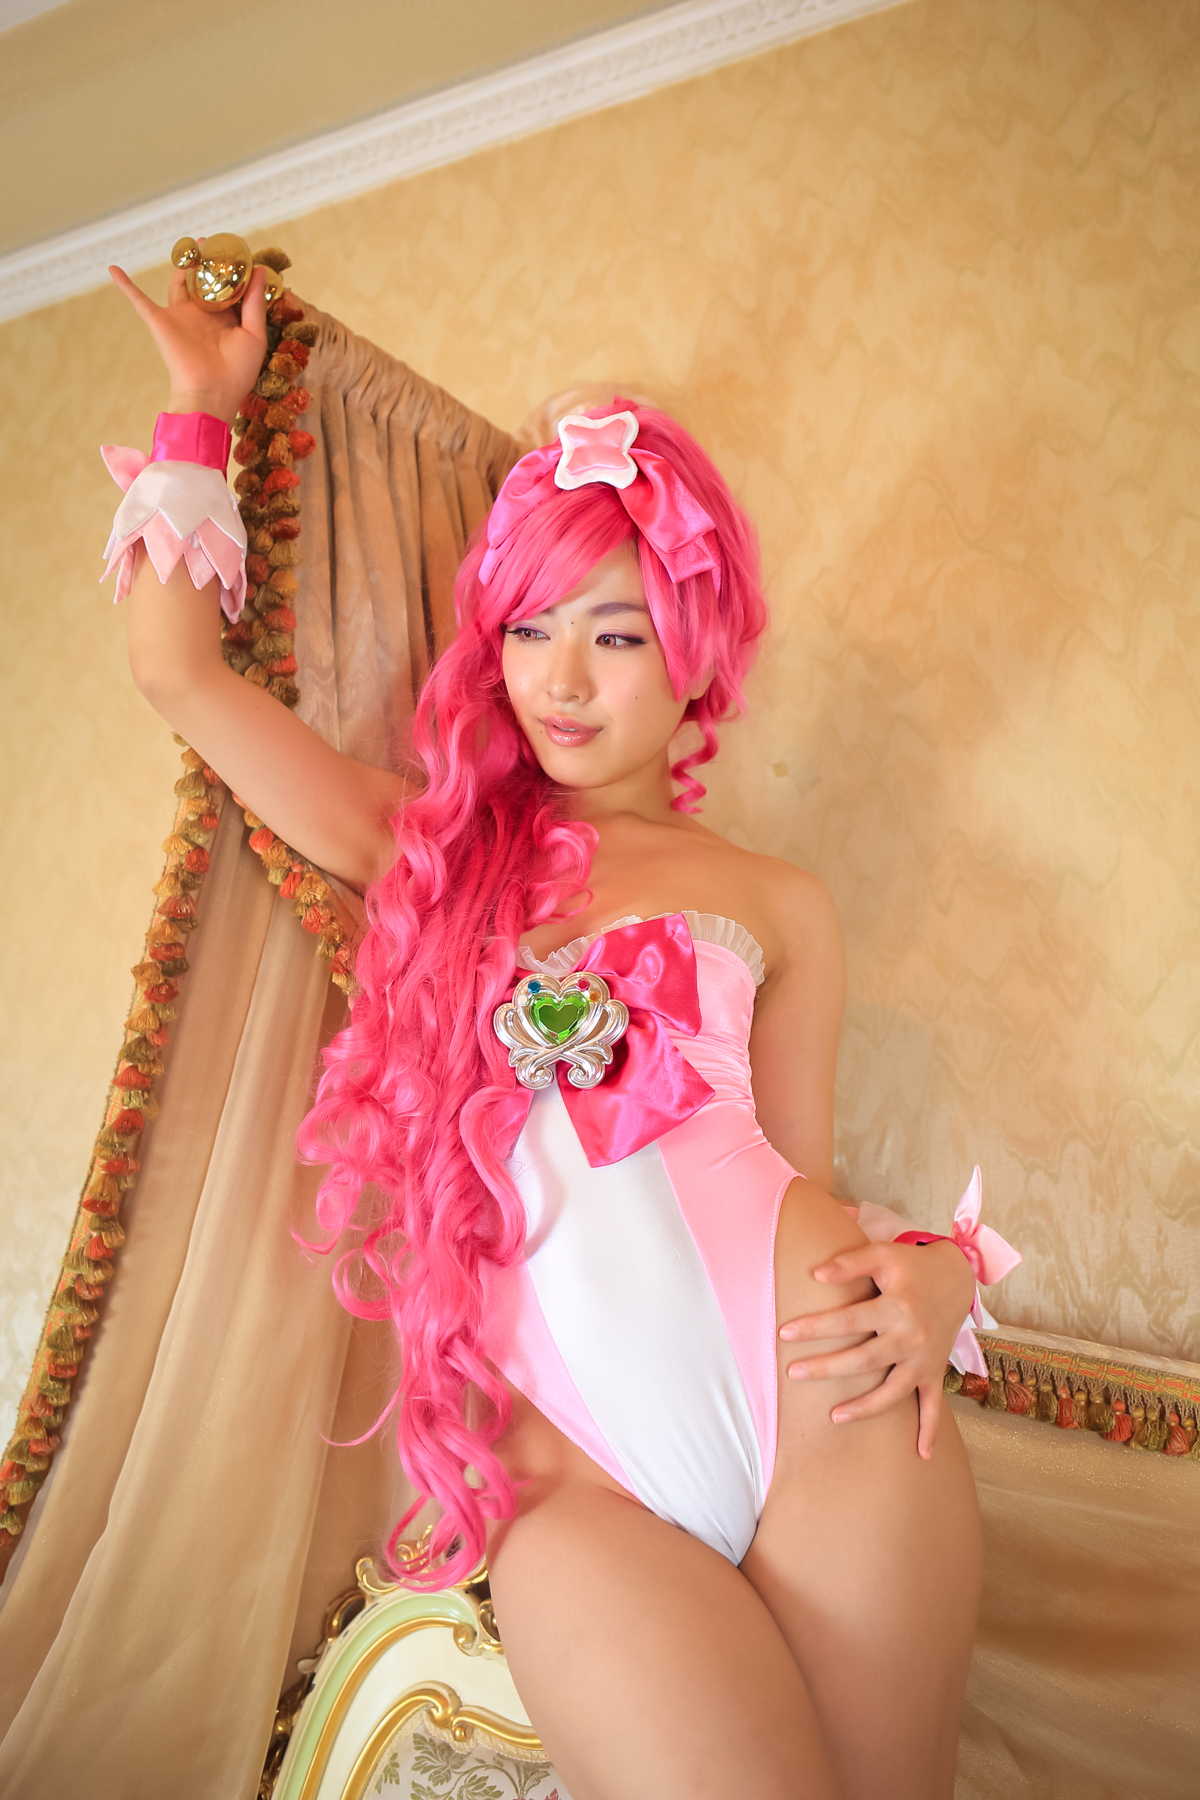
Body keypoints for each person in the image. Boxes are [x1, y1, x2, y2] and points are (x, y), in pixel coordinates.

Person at [107, 259, 1000, 1800]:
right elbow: (174, 671)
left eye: (619, 635)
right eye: (529, 629)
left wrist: (934, 1277)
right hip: (579, 1484)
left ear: (697, 648)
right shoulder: (435, 854)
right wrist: (201, 407)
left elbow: (795, 1177)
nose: (562, 681)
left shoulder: (782, 902)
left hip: (838, 1406)